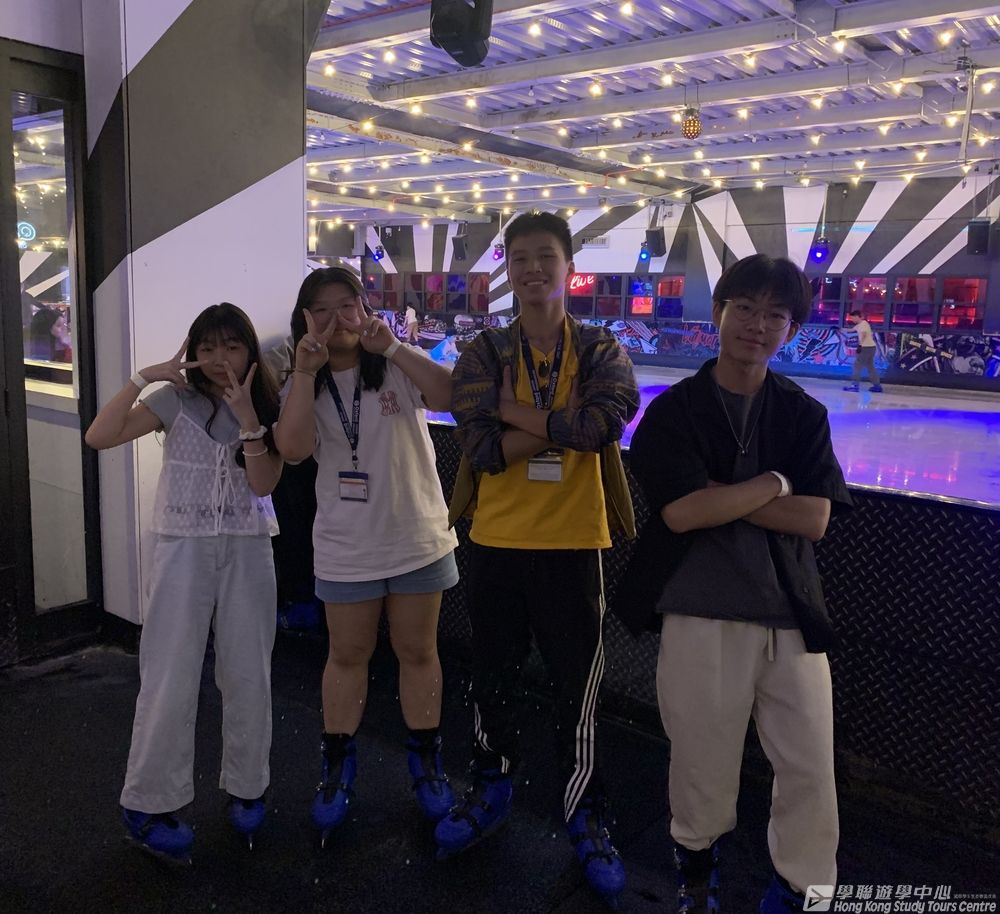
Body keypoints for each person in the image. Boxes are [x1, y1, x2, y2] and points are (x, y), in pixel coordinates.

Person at [616, 254, 852, 913]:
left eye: (775, 314)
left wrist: (725, 496)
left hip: (790, 615)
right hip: (700, 612)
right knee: (701, 765)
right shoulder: (676, 412)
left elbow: (814, 519)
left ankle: (804, 890)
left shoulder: (801, 414)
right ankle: (697, 883)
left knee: (811, 768)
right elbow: (681, 514)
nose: (757, 324)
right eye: (745, 308)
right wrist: (774, 483)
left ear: (792, 329)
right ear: (719, 313)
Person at [438, 211, 639, 906]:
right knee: (490, 679)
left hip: (575, 545)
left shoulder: (601, 347)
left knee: (577, 692)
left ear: (569, 265)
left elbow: (604, 424)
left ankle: (585, 812)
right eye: (519, 257)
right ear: (508, 268)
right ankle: (490, 785)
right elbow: (480, 448)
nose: (531, 269)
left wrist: (513, 413)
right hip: (496, 542)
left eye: (545, 256)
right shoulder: (485, 351)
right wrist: (559, 424)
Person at [85, 303, 283, 861]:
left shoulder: (267, 406)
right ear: (194, 351)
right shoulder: (174, 401)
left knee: (248, 671)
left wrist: (248, 420)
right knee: (169, 671)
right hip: (182, 545)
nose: (220, 359)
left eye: (232, 346)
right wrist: (143, 377)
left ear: (249, 351)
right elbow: (100, 436)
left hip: (248, 544)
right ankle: (147, 802)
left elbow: (264, 484)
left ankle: (248, 786)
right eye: (209, 347)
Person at [273, 267, 459, 846]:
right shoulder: (303, 380)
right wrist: (304, 372)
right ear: (306, 320)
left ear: (365, 308)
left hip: (415, 536)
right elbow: (293, 450)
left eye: (347, 305)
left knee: (418, 652)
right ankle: (337, 765)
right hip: (347, 545)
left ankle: (426, 761)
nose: (337, 319)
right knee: (347, 655)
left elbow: (449, 396)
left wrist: (395, 347)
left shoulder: (394, 364)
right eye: (322, 310)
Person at [843, 310, 882, 392]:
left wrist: (860, 345)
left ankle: (854, 386)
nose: (852, 320)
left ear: (857, 316)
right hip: (870, 347)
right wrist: (838, 329)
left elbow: (864, 335)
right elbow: (850, 330)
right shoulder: (860, 325)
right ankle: (877, 386)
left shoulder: (863, 324)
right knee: (870, 367)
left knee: (857, 366)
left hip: (865, 348)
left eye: (852, 318)